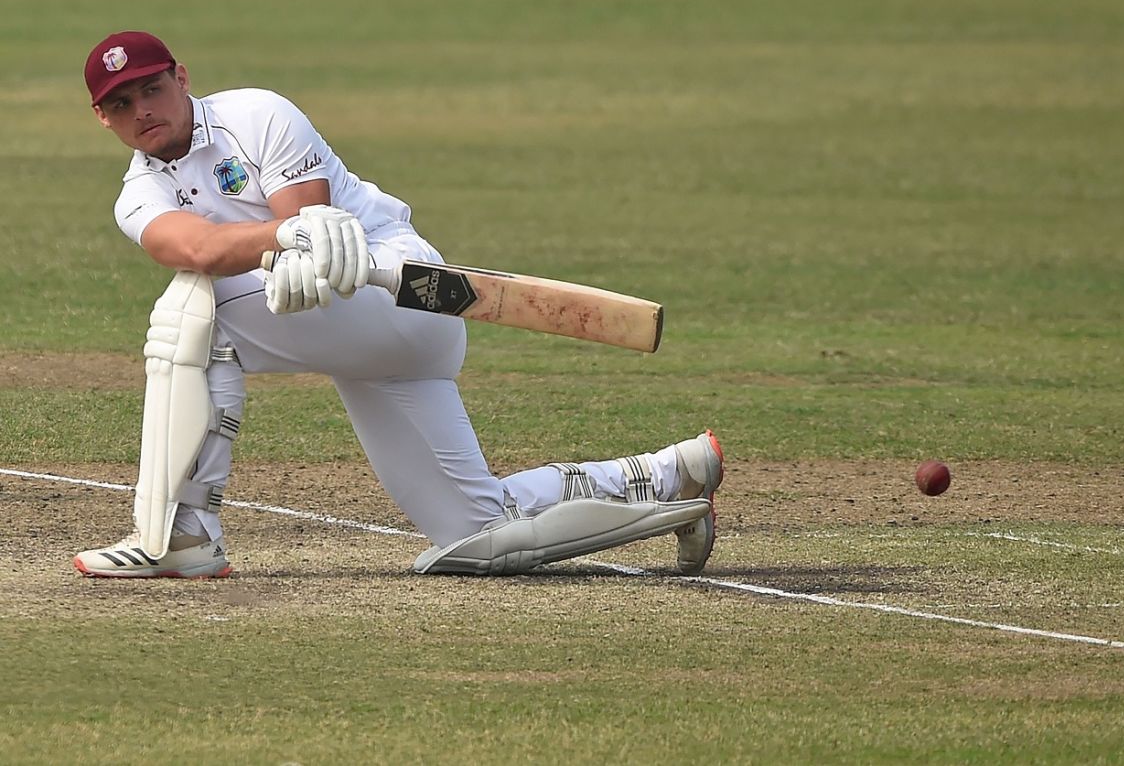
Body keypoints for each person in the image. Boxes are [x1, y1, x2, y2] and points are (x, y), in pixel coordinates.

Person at [73, 30, 723, 579]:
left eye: (152, 89)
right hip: (364, 350)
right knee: (477, 537)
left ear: (182, 78)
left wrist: (298, 241)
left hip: (399, 291)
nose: (142, 110)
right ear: (104, 118)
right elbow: (196, 247)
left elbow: (315, 225)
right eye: (121, 103)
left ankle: (185, 534)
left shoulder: (256, 116)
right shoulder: (136, 198)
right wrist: (282, 242)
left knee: (193, 316)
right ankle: (671, 474)